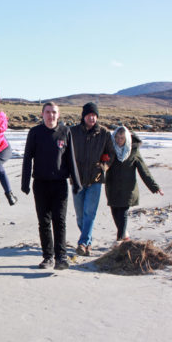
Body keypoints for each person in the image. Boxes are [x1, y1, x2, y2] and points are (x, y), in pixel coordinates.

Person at [21, 102, 82, 270]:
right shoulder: (35, 133)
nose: (51, 115)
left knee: (60, 221)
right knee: (44, 221)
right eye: (47, 112)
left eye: (54, 112)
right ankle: (47, 257)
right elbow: (27, 159)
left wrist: (76, 182)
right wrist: (25, 183)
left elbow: (71, 159)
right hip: (40, 183)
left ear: (58, 115)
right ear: (42, 114)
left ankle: (61, 256)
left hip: (60, 184)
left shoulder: (65, 132)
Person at [70, 102, 114, 256]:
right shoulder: (72, 132)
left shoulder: (104, 133)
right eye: (89, 115)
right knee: (81, 215)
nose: (92, 118)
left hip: (95, 179)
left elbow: (111, 153)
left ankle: (82, 243)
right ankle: (87, 241)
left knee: (90, 212)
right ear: (84, 116)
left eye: (94, 115)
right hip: (77, 179)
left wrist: (104, 166)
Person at [105, 126, 164, 241]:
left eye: (122, 138)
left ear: (127, 138)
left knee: (123, 213)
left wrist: (155, 187)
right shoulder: (109, 150)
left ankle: (119, 241)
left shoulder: (133, 151)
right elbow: (101, 165)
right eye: (116, 137)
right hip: (112, 188)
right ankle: (124, 236)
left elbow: (144, 170)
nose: (119, 140)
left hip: (128, 189)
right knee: (115, 213)